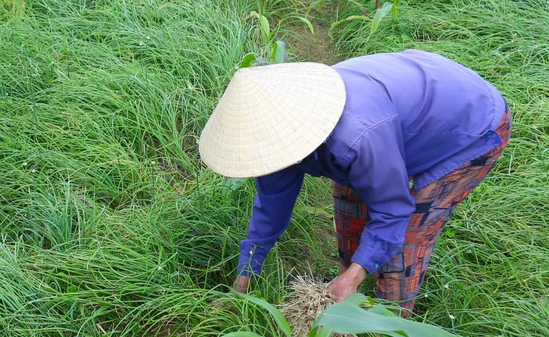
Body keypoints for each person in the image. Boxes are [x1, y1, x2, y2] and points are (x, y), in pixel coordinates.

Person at [198, 49, 511, 313]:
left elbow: (393, 210)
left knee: (406, 240)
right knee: (351, 205)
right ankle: (345, 301)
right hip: (412, 104)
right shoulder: (275, 134)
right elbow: (271, 205)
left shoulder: (356, 136)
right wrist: (244, 279)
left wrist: (355, 275)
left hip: (472, 127)